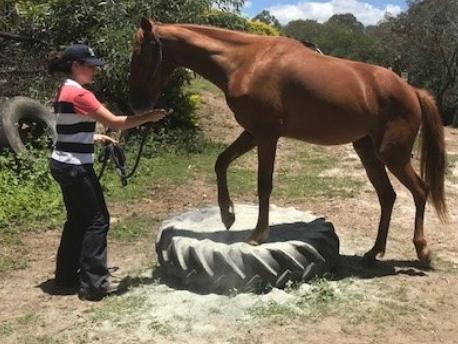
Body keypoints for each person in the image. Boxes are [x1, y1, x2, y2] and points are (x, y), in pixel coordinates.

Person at [47, 44, 167, 301]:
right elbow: (115, 121)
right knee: (97, 220)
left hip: (62, 162)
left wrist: (94, 136)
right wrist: (150, 116)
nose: (94, 71)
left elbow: (69, 127)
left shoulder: (64, 89)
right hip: (75, 166)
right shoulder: (80, 94)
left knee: (77, 220)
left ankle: (66, 278)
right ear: (75, 65)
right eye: (90, 66)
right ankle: (94, 285)